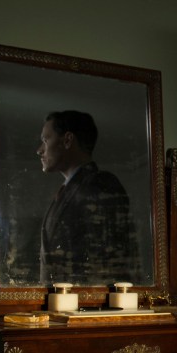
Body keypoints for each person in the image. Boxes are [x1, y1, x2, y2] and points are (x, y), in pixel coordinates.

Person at [37, 110, 140, 286]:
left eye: (46, 140)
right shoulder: (70, 189)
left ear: (67, 140)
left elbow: (108, 261)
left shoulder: (100, 184)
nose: (39, 150)